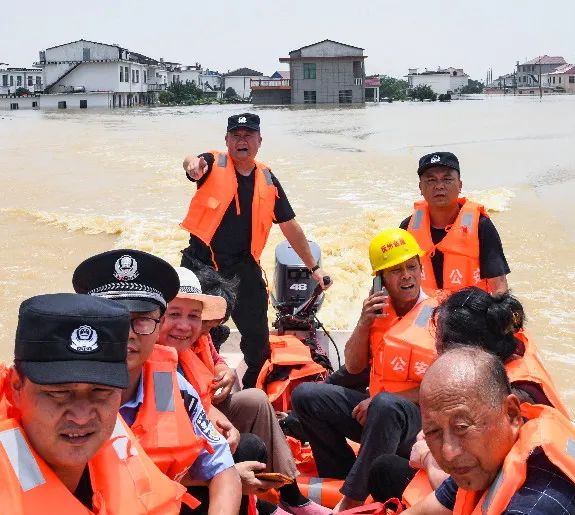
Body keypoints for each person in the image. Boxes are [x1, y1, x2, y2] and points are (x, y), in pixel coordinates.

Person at [72, 249, 242, 515]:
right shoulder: (57, 393)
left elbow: (223, 470)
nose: (128, 334)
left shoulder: (170, 386)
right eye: (113, 320)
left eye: (141, 320)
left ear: (158, 325)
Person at [368, 285, 572, 507]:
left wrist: (427, 457)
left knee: (384, 470)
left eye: (439, 348)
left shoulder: (508, 400)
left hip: (501, 491)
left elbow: (465, 480)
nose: (437, 357)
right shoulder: (514, 353)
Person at [159, 265, 331, 515]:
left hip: (202, 414)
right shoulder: (150, 367)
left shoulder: (197, 338)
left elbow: (208, 378)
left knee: (255, 401)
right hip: (173, 470)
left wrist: (225, 372)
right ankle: (256, 502)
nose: (186, 326)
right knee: (248, 447)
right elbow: (156, 452)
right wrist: (224, 476)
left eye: (194, 316)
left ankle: (289, 494)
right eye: (174, 314)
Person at [0, 293, 190, 513]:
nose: (81, 416)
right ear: (16, 387)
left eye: (101, 391)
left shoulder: (121, 460)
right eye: (58, 393)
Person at [180, 113, 331, 389]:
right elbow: (193, 162)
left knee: (260, 348)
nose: (242, 140)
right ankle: (197, 393)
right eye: (235, 135)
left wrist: (314, 268)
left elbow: (290, 226)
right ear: (226, 140)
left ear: (259, 141)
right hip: (202, 265)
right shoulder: (212, 164)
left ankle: (250, 395)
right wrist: (191, 165)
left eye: (248, 135)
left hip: (245, 269)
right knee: (197, 338)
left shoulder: (268, 178)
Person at [291, 228, 438, 512]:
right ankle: (342, 475)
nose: (406, 275)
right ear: (380, 279)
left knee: (385, 405)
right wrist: (364, 322)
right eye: (395, 270)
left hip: (418, 422)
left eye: (411, 267)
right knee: (307, 396)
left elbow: (447, 390)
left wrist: (381, 401)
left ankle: (352, 500)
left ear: (421, 270)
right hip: (376, 415)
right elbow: (355, 366)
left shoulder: (441, 317)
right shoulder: (376, 312)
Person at [403, 346, 575, 514]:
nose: (449, 452)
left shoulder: (532, 507)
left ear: (512, 413)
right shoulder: (483, 462)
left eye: (462, 427)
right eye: (433, 432)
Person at [401, 151, 510, 294]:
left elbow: (499, 288)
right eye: (431, 180)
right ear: (420, 187)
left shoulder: (481, 226)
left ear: (460, 185)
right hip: (425, 312)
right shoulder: (407, 229)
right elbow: (395, 282)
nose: (439, 186)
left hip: (471, 311)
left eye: (447, 179)